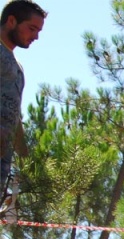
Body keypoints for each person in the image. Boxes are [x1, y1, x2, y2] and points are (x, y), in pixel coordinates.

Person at [0, 0, 45, 222]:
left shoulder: (17, 67)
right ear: (11, 21)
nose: (36, 36)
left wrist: (25, 159)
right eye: (32, 28)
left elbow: (14, 115)